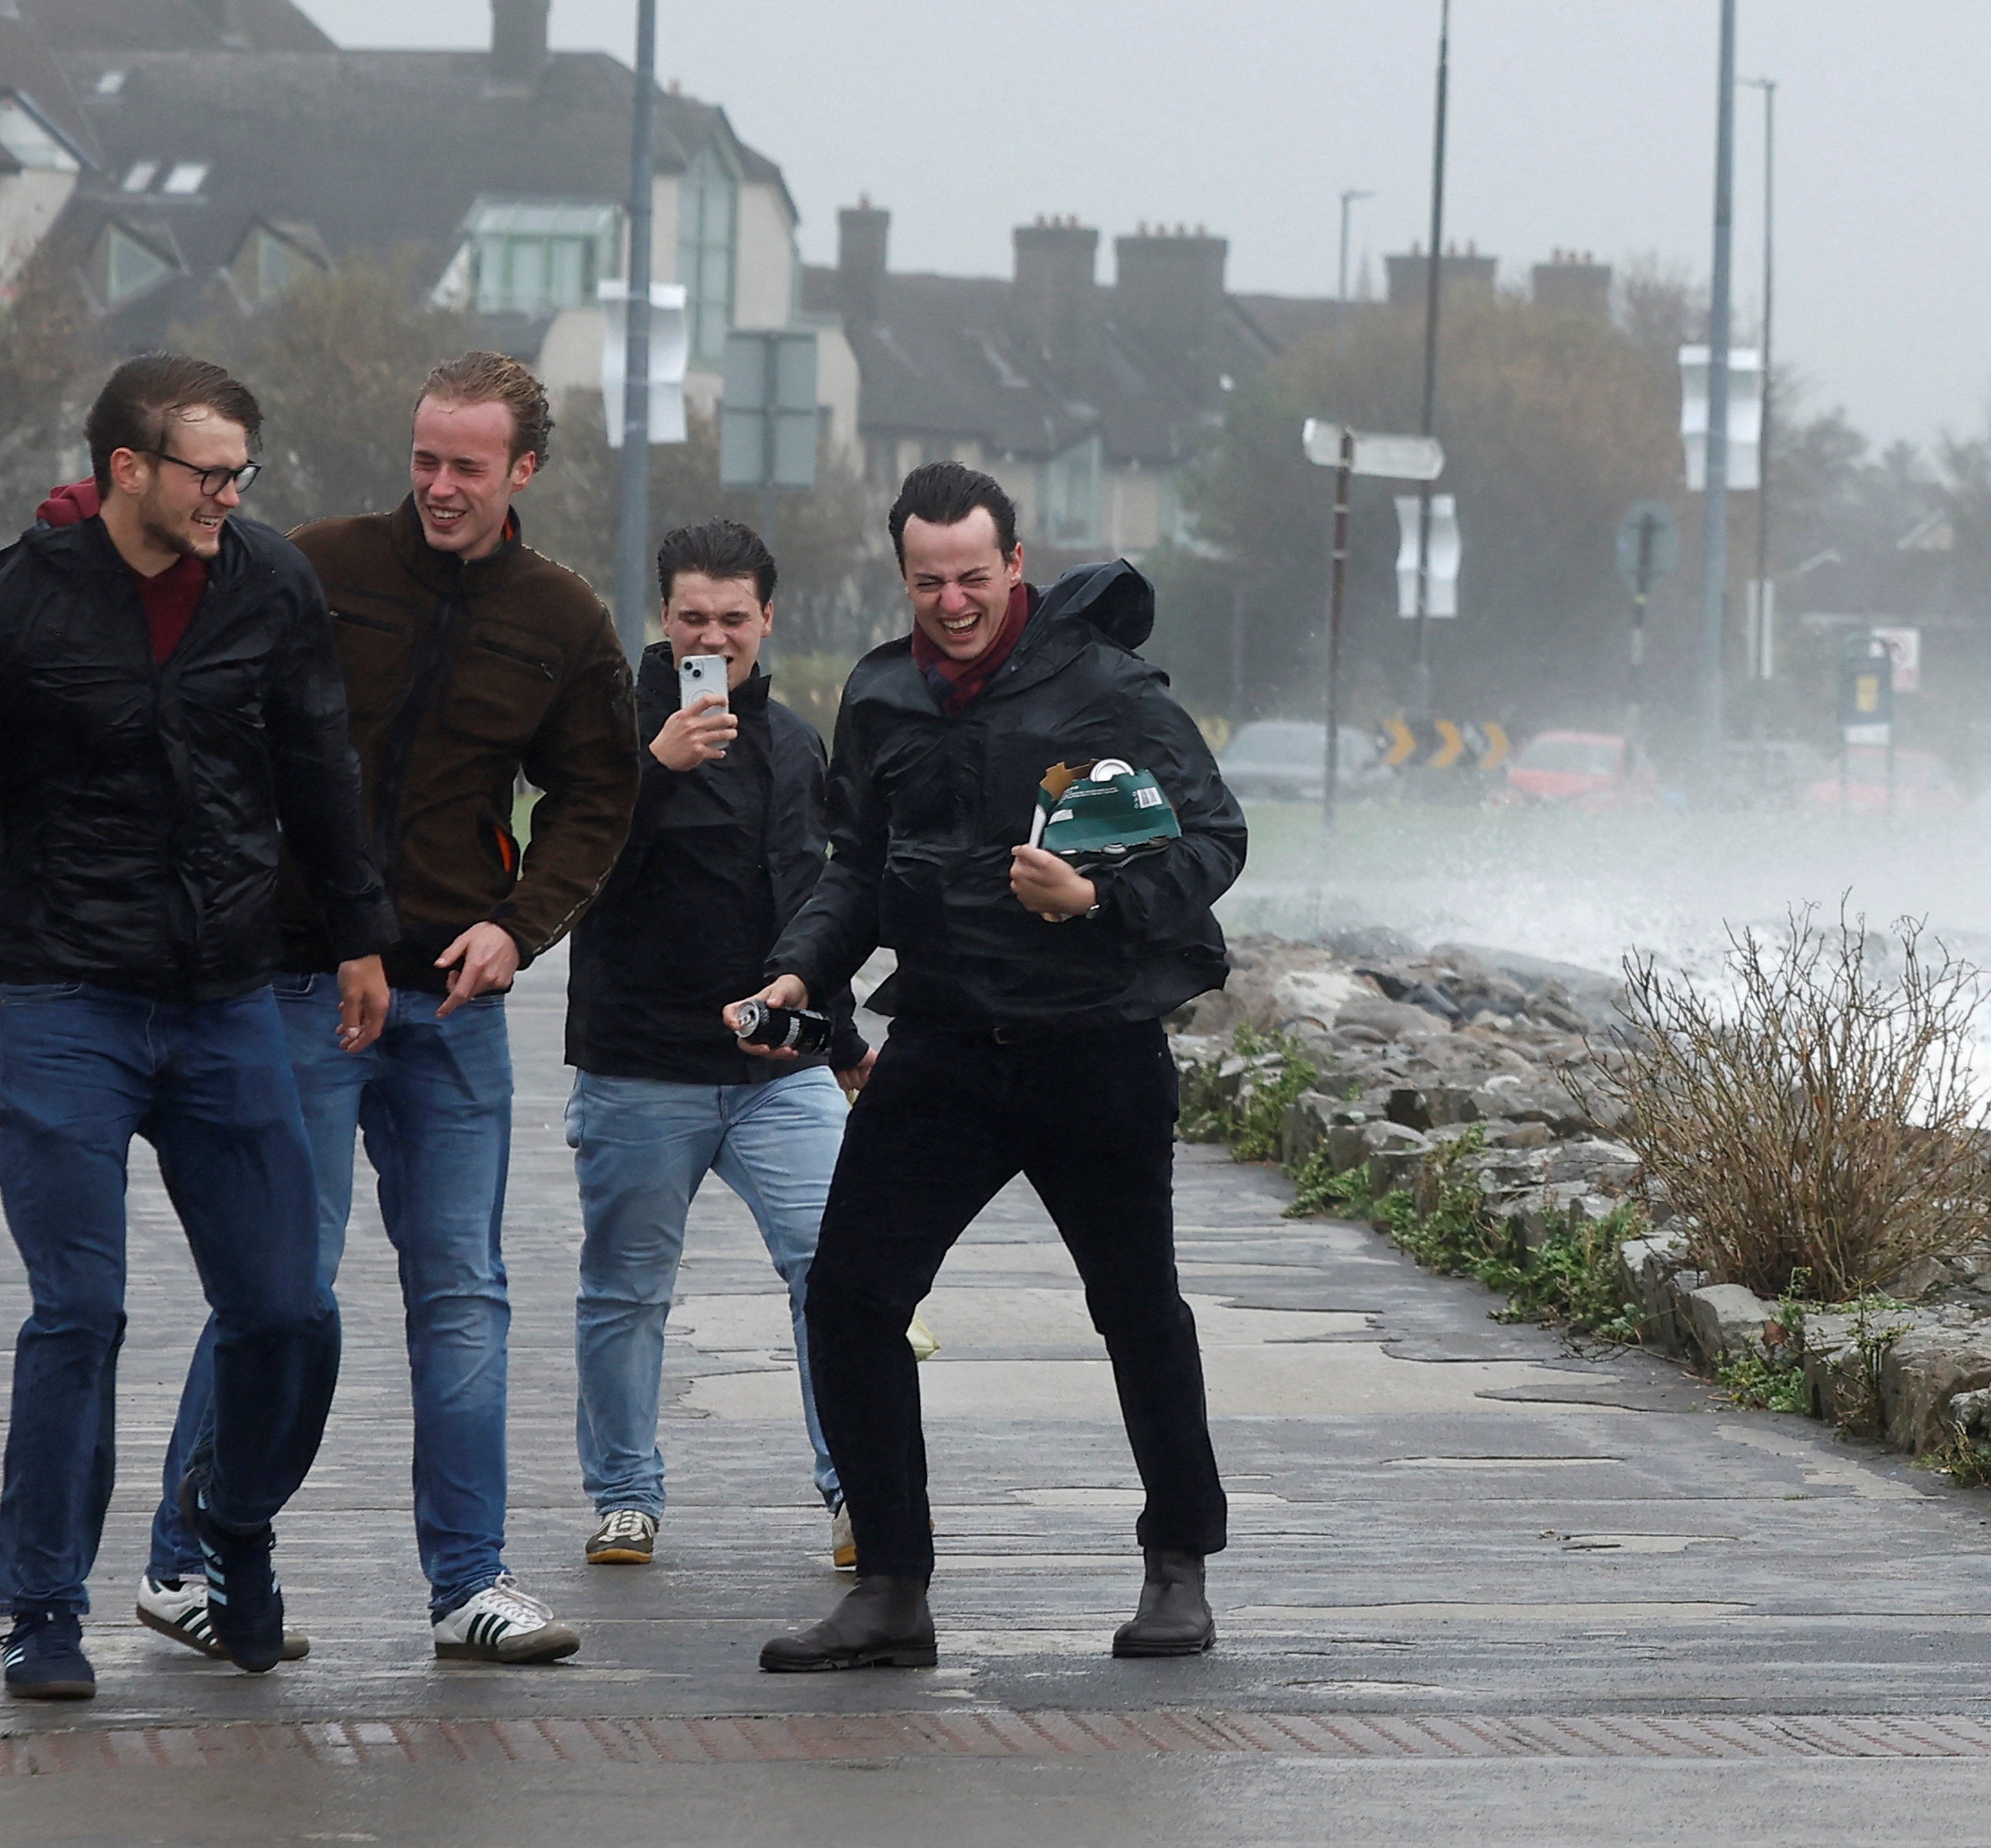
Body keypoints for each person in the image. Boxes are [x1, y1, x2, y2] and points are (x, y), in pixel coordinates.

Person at [0, 355, 399, 1702]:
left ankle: (234, 1523)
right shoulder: (0, 619)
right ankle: (42, 1605)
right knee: (80, 1310)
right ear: (126, 470)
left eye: (243, 470)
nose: (233, 494)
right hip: (63, 1002)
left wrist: (364, 931)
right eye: (210, 470)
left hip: (227, 1004)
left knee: (289, 1311)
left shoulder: (269, 584)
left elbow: (322, 763)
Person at [141, 351, 637, 1668]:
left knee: (465, 1290)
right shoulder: (314, 564)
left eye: (468, 465)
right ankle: (182, 1562)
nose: (439, 486)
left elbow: (597, 797)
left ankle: (468, 1581)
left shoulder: (563, 617)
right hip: (299, 984)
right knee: (277, 1283)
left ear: (523, 470)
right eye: (425, 458)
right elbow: (198, 714)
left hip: (456, 997)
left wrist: (520, 924)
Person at [744, 463, 1246, 1674]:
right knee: (851, 1298)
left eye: (974, 578)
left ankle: (1177, 1568)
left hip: (1097, 1050)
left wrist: (1098, 894)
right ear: (902, 574)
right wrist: (797, 973)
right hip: (948, 1047)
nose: (954, 602)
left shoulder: (1109, 687)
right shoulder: (878, 694)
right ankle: (892, 1592)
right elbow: (853, 869)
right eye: (929, 582)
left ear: (1015, 564)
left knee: (1137, 1313)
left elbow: (1217, 836)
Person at [565, 518, 861, 1571]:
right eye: (693, 616)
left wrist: (847, 1043)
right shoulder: (609, 727)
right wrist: (652, 771)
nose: (714, 637)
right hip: (640, 1064)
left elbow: (821, 896)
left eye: (734, 619)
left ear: (766, 621)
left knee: (839, 1268)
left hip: (780, 1066)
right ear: (663, 617)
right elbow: (570, 878)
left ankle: (854, 1490)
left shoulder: (790, 740)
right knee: (626, 1290)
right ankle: (626, 1496)